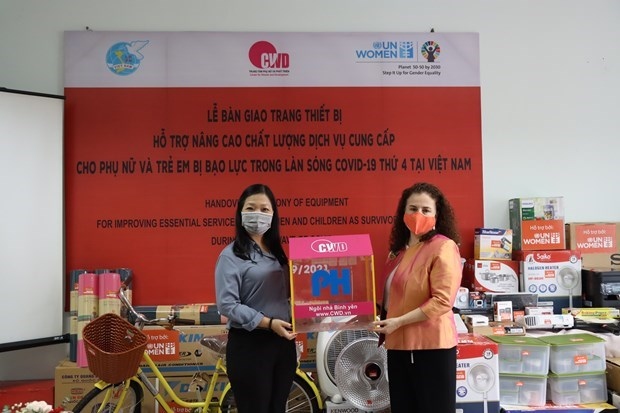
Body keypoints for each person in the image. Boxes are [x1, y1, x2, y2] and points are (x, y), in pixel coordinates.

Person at [372, 182, 462, 413]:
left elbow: (442, 301)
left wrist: (398, 322)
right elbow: (391, 298)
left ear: (437, 215)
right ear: (403, 212)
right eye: (412, 208)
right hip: (398, 347)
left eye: (425, 210)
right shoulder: (397, 252)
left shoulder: (443, 247)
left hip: (431, 348)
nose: (418, 215)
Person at [214, 183, 297, 413]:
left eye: (264, 209)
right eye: (251, 208)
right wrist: (268, 323)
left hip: (282, 344)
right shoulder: (230, 256)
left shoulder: (277, 253)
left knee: (277, 408)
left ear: (273, 215)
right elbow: (227, 304)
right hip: (250, 346)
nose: (258, 214)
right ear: (241, 212)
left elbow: (287, 295)